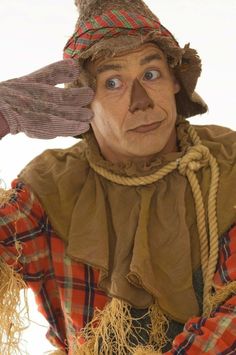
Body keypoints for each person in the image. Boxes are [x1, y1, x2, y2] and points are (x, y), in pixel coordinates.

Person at [0, 0, 236, 354]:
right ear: (82, 101)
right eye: (113, 82)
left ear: (175, 81)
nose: (140, 101)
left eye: (151, 74)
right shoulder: (51, 187)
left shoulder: (227, 163)